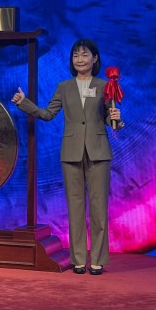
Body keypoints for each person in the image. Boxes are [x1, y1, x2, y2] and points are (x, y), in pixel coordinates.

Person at [11, 38, 121, 275]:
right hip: (71, 152)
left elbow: (112, 122)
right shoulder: (64, 87)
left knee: (99, 208)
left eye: (84, 55)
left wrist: (116, 118)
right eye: (75, 56)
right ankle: (79, 259)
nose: (80, 60)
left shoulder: (105, 85)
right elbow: (48, 114)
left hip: (98, 151)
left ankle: (98, 260)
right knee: (75, 207)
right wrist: (25, 104)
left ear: (95, 59)